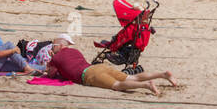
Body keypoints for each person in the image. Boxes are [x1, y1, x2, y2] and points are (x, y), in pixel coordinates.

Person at [43, 34, 180, 95]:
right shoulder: (75, 51)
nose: (51, 47)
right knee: (132, 77)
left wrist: (51, 61)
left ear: (60, 46)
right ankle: (163, 74)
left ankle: (146, 85)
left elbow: (51, 74)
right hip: (97, 67)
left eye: (53, 45)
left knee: (117, 86)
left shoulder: (57, 57)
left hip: (89, 74)